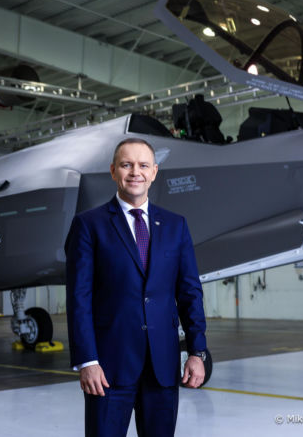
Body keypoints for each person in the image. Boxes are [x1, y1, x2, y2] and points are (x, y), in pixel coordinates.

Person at [65, 137, 208, 436]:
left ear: (154, 172)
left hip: (162, 367)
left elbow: (190, 293)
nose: (135, 172)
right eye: (126, 165)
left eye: (143, 165)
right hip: (107, 369)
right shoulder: (89, 225)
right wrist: (87, 361)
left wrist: (197, 351)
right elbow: (79, 298)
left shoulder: (176, 225)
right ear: (113, 171)